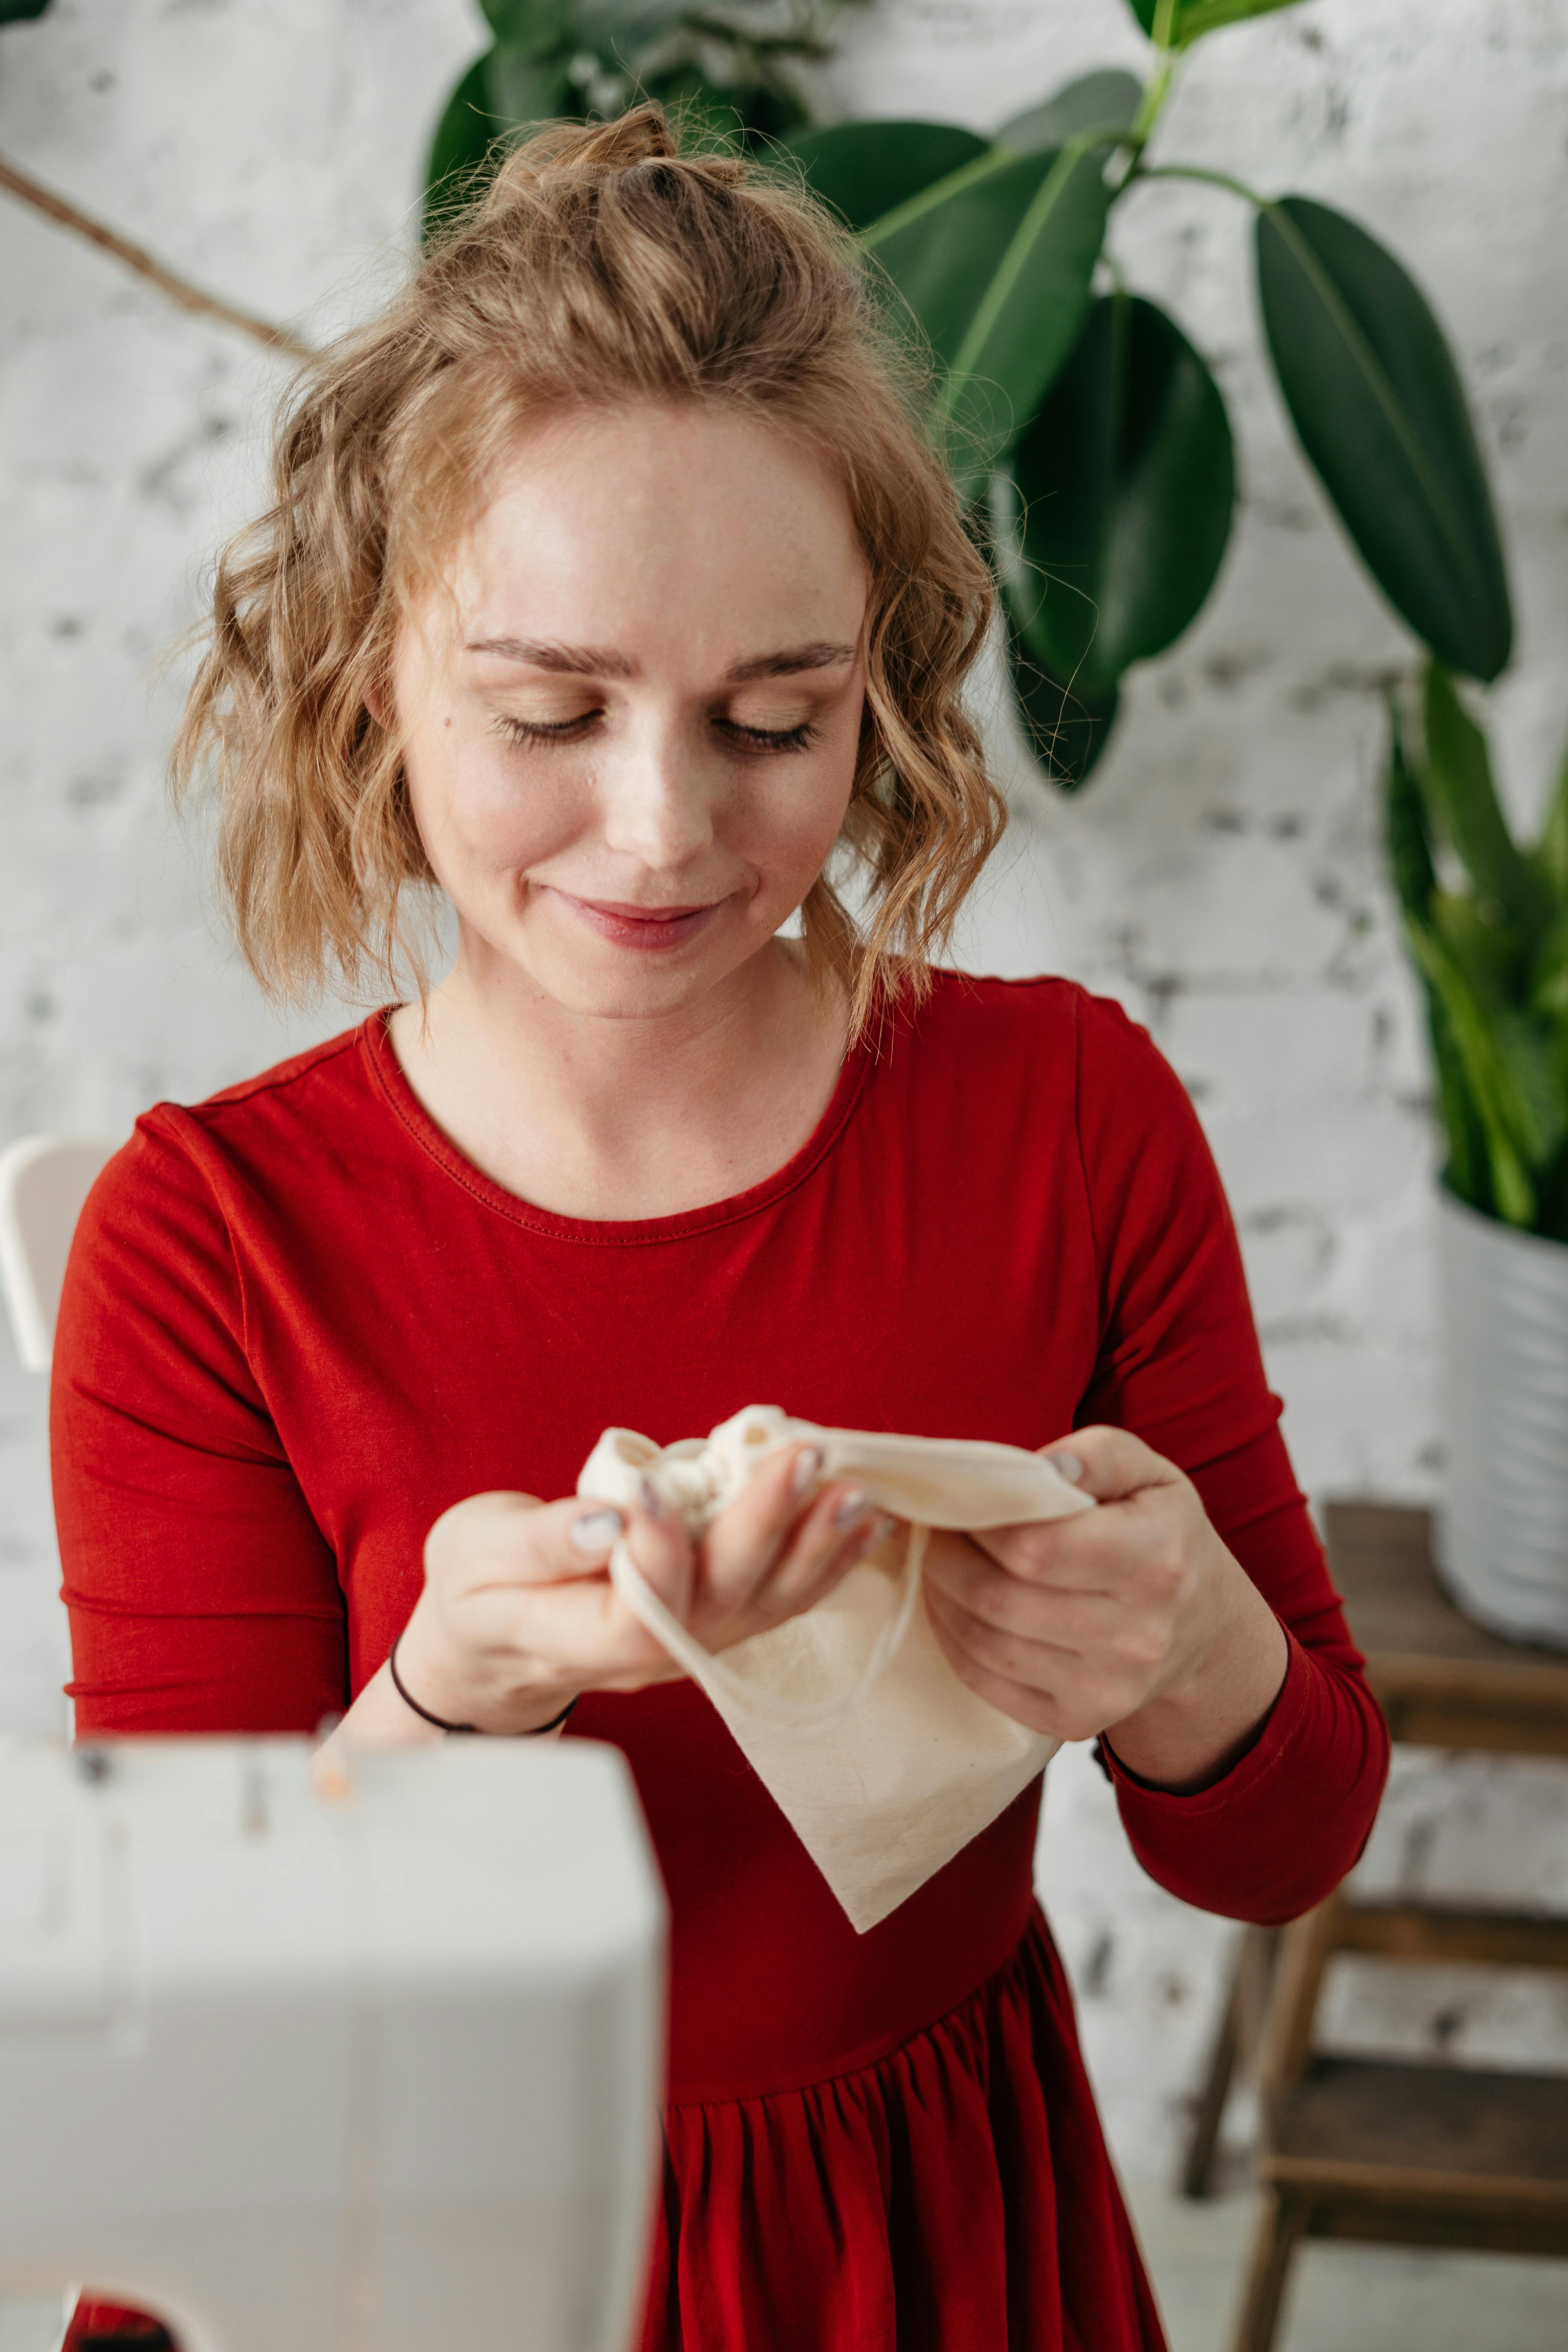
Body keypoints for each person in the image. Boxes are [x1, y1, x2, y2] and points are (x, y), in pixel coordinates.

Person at [52, 107, 1389, 2352]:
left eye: (772, 719)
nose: (663, 829)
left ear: (876, 684)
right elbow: (204, 2033)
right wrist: (448, 1703)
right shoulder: (215, 1239)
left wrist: (1187, 1651)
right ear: (378, 675)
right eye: (550, 713)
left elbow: (1282, 1841)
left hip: (930, 2236)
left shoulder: (1066, 1117)